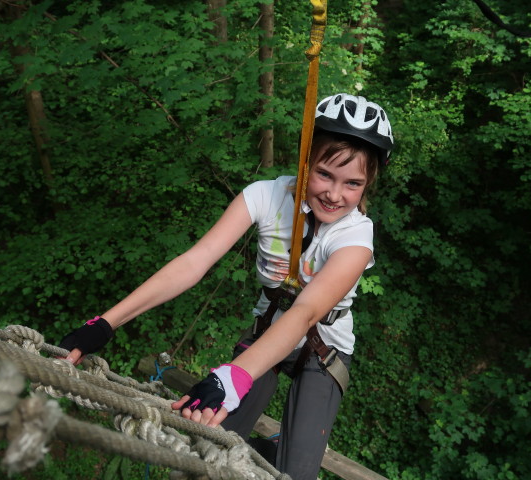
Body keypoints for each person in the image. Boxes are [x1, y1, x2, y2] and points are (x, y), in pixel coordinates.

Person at [60, 93, 394, 480]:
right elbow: (194, 261)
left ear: (368, 184)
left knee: (296, 474)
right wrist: (105, 323)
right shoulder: (265, 196)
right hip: (268, 330)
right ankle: (256, 445)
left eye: (352, 183)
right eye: (324, 174)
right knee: (210, 444)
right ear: (304, 160)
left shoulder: (357, 234)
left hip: (323, 347)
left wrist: (232, 376)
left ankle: (269, 447)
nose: (335, 195)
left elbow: (306, 313)